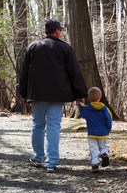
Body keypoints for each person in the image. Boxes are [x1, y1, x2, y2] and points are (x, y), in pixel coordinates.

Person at [19, 18, 87, 173]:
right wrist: (80, 93)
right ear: (57, 31)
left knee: (37, 125)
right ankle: (52, 162)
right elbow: (74, 72)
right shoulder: (65, 48)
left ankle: (37, 157)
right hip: (57, 94)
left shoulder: (33, 47)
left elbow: (25, 73)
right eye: (60, 30)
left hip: (37, 94)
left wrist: (24, 92)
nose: (60, 32)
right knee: (54, 126)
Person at [78, 87, 112, 173]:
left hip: (92, 133)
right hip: (103, 132)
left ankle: (95, 164)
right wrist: (108, 129)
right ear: (100, 97)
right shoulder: (105, 109)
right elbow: (109, 119)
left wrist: (80, 104)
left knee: (93, 148)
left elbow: (82, 113)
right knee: (103, 146)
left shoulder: (88, 109)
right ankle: (104, 154)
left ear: (88, 98)